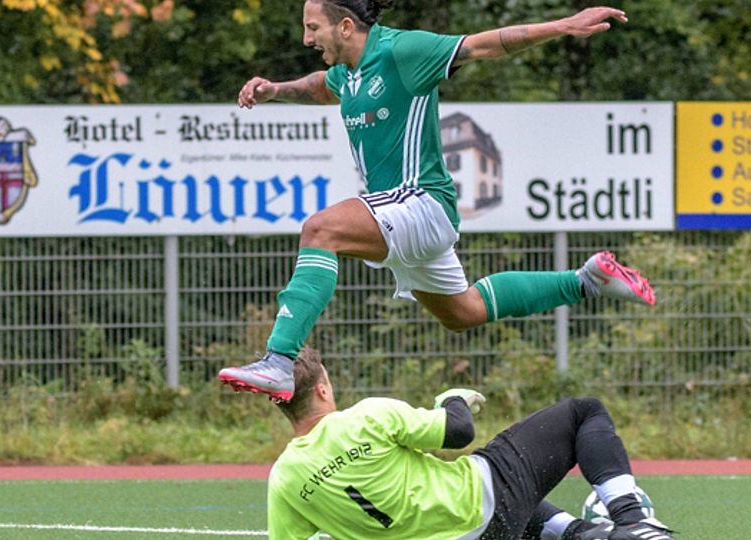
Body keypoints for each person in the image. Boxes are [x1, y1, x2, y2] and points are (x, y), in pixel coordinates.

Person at [220, 0, 654, 402]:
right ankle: (586, 281)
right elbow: (323, 87)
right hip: (397, 211)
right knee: (463, 311)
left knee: (320, 230)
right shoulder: (346, 71)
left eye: (313, 28)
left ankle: (279, 360)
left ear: (346, 26)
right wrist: (276, 90)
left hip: (421, 203)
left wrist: (564, 25)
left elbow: (484, 45)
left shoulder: (402, 51)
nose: (306, 39)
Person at [266, 349, 675, 540]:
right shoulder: (366, 416)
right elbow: (458, 432)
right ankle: (633, 522)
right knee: (582, 412)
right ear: (322, 389)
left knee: (498, 479)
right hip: (487, 504)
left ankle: (580, 533)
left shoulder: (284, 478)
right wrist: (452, 399)